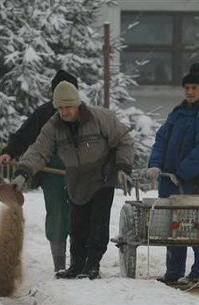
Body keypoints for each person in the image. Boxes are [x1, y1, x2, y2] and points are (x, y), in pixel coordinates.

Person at [9, 80, 134, 280]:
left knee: (97, 223)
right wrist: (22, 173)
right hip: (77, 179)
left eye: (68, 107)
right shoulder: (53, 127)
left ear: (77, 104)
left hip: (102, 175)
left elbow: (124, 140)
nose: (64, 112)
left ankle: (92, 266)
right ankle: (76, 265)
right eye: (60, 108)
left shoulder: (100, 118)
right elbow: (39, 150)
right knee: (78, 225)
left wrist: (123, 167)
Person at [145, 63, 199, 285]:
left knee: (197, 228)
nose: (190, 92)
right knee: (174, 228)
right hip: (169, 180)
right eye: (187, 87)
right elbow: (161, 140)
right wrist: (156, 164)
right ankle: (174, 271)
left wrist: (182, 172)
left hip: (196, 183)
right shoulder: (177, 114)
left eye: (195, 88)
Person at [0, 70, 77, 273]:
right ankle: (59, 264)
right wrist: (10, 152)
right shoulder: (44, 114)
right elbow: (25, 136)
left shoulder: (86, 115)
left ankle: (79, 262)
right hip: (52, 174)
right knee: (57, 215)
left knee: (79, 215)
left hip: (79, 174)